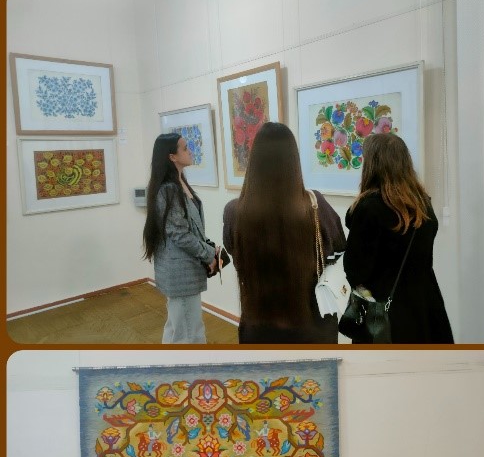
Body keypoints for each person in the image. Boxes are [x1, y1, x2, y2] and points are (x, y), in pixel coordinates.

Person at [222, 122, 346, 343]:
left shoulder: (235, 212)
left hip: (257, 326)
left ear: (254, 162)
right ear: (293, 162)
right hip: (312, 327)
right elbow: (338, 248)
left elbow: (234, 251)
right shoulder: (316, 206)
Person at [341, 133, 453, 343]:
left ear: (372, 166)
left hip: (386, 316)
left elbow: (356, 271)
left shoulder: (369, 208)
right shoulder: (423, 205)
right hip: (425, 307)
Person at [142, 132, 218, 343]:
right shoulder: (169, 190)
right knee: (189, 333)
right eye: (185, 148)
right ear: (172, 156)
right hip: (180, 271)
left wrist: (209, 250)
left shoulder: (179, 182)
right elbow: (180, 234)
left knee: (177, 327)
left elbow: (190, 228)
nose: (190, 151)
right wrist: (209, 254)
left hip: (185, 267)